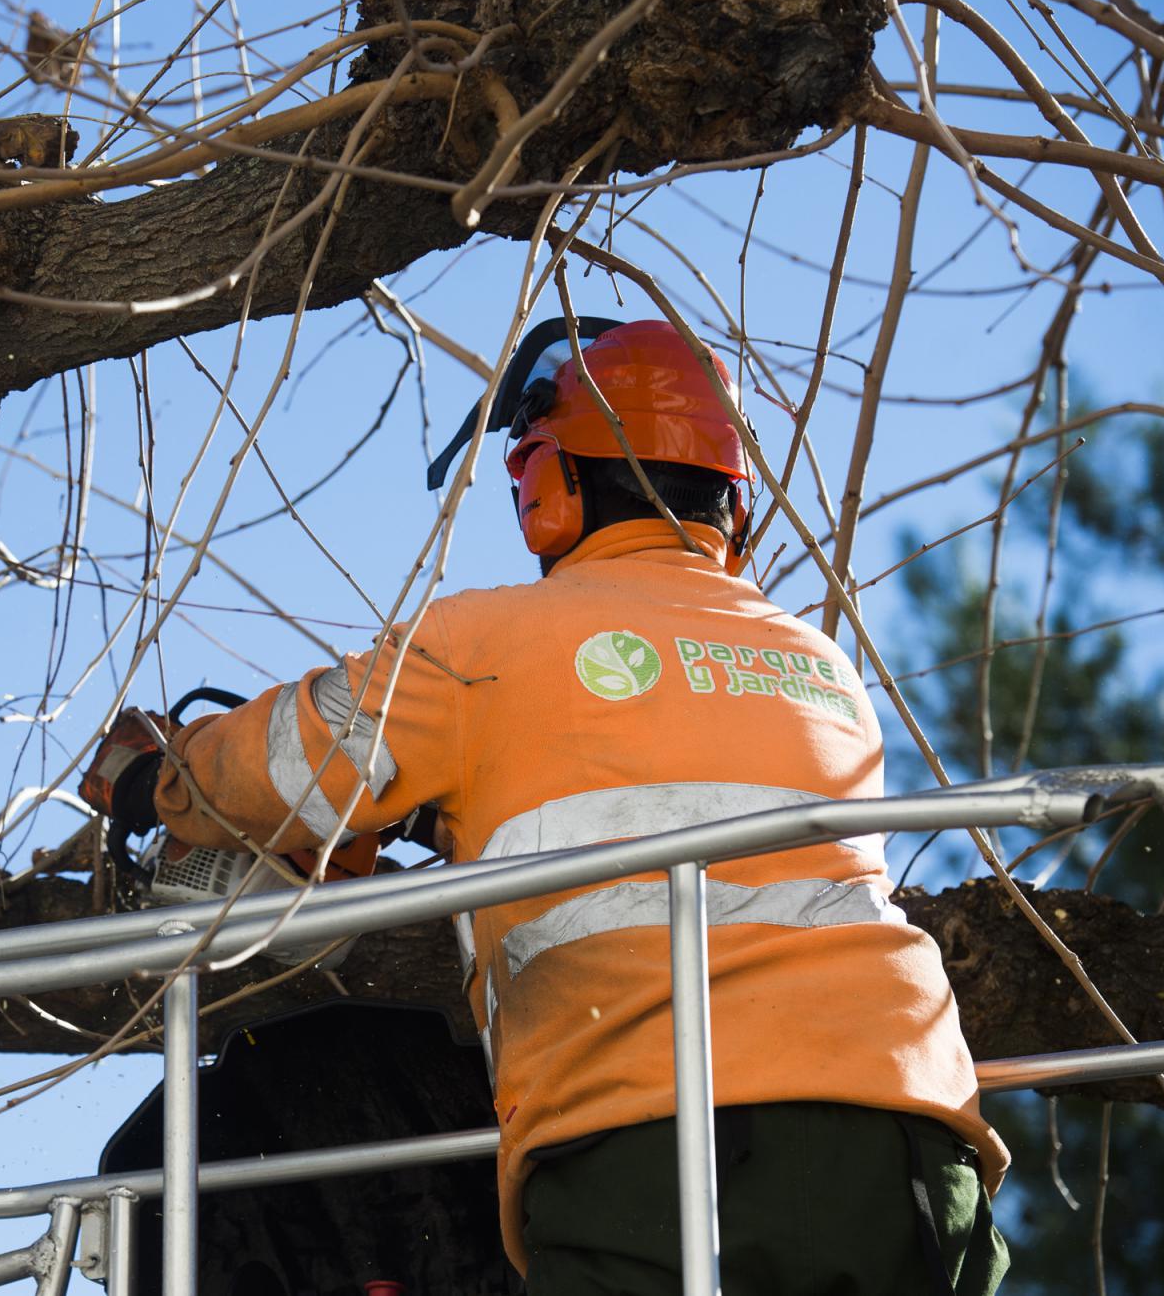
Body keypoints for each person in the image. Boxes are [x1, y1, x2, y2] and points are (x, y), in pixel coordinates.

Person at [82, 318, 1009, 1295]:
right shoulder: (816, 665)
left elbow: (286, 765)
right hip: (910, 1134)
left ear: (549, 484)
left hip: (654, 1139)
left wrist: (158, 778)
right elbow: (635, 774)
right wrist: (435, 813)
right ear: (732, 501)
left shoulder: (489, 643)